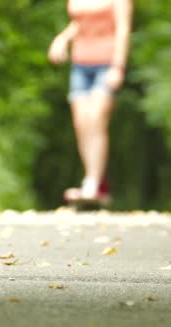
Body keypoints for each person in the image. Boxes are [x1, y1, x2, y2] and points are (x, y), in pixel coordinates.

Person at [48, 0, 133, 206]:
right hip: (80, 64)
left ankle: (92, 182)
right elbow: (80, 22)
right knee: (81, 123)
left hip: (106, 64)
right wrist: (62, 39)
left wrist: (118, 67)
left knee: (96, 120)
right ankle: (94, 179)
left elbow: (123, 28)